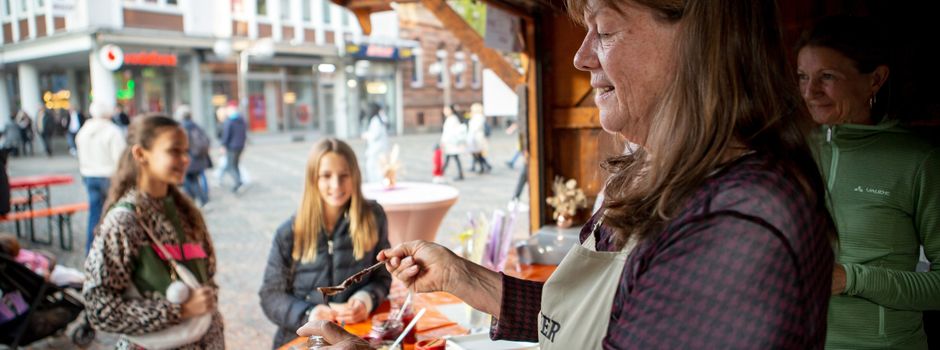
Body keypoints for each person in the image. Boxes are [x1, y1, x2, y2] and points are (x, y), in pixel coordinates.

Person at [298, 0, 836, 348]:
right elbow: (592, 320)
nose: (581, 57)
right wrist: (467, 279)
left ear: (701, 36)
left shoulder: (736, 228)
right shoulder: (675, 179)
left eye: (602, 30)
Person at [796, 16, 940, 349]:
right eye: (803, 77)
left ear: (875, 79)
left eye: (827, 77)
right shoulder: (795, 152)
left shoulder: (918, 161)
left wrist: (852, 279)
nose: (809, 92)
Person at [83, 115, 223, 349]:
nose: (185, 159)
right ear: (140, 154)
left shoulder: (188, 213)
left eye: (185, 151)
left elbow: (208, 277)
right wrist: (179, 310)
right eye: (173, 151)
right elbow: (99, 309)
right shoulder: (124, 222)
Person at [260, 138, 391, 349]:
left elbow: (382, 277)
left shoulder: (373, 218)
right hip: (303, 340)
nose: (336, 185)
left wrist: (365, 299)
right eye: (326, 176)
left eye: (344, 175)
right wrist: (309, 313)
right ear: (313, 179)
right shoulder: (289, 233)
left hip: (355, 335)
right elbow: (270, 296)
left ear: (355, 177)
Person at [76, 101, 126, 253]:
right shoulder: (112, 131)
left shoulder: (83, 131)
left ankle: (91, 250)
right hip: (108, 176)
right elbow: (121, 157)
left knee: (95, 213)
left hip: (89, 175)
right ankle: (113, 250)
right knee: (114, 213)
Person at [176, 105, 212, 207]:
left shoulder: (182, 128)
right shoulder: (196, 126)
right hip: (199, 159)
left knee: (190, 181)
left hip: (191, 160)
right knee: (195, 179)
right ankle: (197, 200)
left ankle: (201, 200)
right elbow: (207, 140)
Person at [220, 104, 247, 193]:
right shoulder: (242, 120)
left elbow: (226, 135)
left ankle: (238, 182)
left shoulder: (229, 121)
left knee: (230, 167)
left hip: (232, 147)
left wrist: (223, 145)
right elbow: (244, 134)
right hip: (240, 146)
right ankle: (239, 183)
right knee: (235, 165)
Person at [361, 103, 390, 183]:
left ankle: (376, 184)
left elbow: (374, 135)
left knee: (374, 168)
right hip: (380, 148)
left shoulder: (376, 121)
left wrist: (365, 135)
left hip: (376, 150)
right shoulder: (380, 119)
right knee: (378, 168)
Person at [440, 104, 466, 181]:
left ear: (451, 110)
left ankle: (441, 173)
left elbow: (449, 133)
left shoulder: (452, 119)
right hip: (450, 143)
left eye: (446, 110)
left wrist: (443, 142)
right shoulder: (451, 119)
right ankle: (442, 172)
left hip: (451, 143)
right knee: (451, 158)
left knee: (453, 158)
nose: (444, 111)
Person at [466, 103, 492, 174]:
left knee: (477, 153)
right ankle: (485, 166)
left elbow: (475, 128)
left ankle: (483, 167)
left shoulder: (478, 117)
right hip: (475, 137)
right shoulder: (476, 116)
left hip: (477, 138)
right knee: (477, 153)